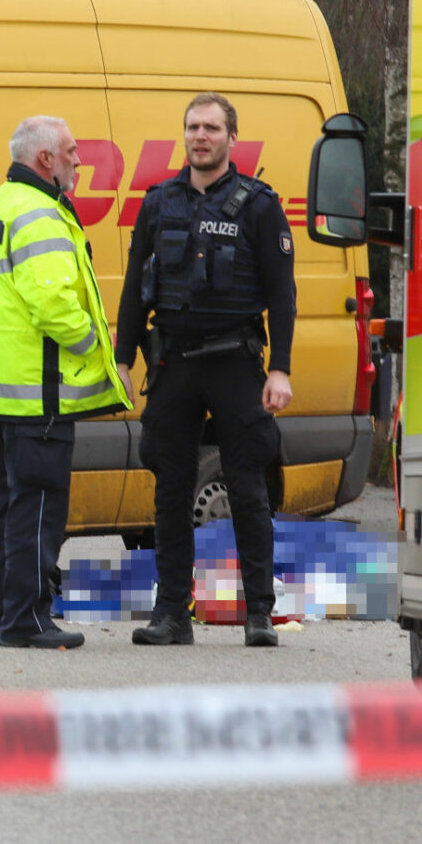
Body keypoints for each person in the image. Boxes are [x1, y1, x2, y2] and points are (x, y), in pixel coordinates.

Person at [115, 93, 297, 648]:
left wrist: (281, 370)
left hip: (235, 361)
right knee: (170, 490)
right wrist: (122, 359)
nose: (201, 136)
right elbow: (132, 289)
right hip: (171, 362)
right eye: (193, 127)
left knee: (247, 486)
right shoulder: (157, 203)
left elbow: (282, 295)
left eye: (212, 128)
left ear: (231, 139)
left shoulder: (260, 206)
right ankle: (171, 612)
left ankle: (259, 612)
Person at [0, 116, 131, 649]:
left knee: (5, 509)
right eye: (72, 152)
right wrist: (95, 348)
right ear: (45, 160)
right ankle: (26, 620)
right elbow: (55, 305)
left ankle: (0, 617)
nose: (81, 161)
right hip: (38, 392)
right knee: (36, 509)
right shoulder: (41, 214)